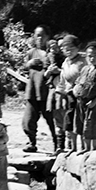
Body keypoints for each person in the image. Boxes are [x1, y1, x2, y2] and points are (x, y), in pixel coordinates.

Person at [22, 25, 57, 153]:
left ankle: (57, 144)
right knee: (28, 119)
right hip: (32, 91)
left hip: (47, 93)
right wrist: (29, 64)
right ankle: (31, 142)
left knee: (52, 120)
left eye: (43, 35)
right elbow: (24, 69)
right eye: (37, 35)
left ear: (48, 37)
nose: (40, 38)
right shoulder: (31, 53)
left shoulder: (52, 53)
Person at [72, 41, 96, 151]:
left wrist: (94, 102)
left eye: (95, 55)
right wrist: (75, 90)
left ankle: (93, 149)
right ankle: (85, 148)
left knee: (92, 125)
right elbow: (78, 83)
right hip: (81, 102)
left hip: (93, 103)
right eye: (90, 56)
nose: (92, 58)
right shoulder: (85, 69)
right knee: (81, 124)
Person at [55, 35, 86, 152]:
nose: (68, 51)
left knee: (81, 120)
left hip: (81, 95)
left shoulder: (83, 61)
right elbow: (62, 80)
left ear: (78, 47)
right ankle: (72, 147)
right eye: (65, 48)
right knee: (69, 120)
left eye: (71, 47)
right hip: (69, 95)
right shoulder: (65, 63)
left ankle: (84, 147)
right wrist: (60, 93)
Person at [44, 36, 66, 150]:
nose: (57, 49)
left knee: (68, 118)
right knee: (57, 119)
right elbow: (45, 75)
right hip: (54, 90)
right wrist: (49, 71)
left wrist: (59, 71)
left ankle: (71, 146)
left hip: (66, 90)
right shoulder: (48, 58)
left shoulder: (66, 59)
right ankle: (59, 147)